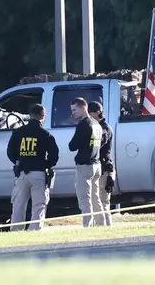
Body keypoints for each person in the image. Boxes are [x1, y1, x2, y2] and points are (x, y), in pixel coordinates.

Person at [7, 104, 59, 231]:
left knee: (18, 205)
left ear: (30, 115)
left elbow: (10, 152)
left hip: (22, 173)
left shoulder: (18, 132)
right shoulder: (45, 134)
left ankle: (15, 231)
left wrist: (19, 161)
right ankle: (34, 231)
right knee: (38, 205)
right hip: (39, 174)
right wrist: (45, 164)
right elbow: (54, 156)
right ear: (43, 116)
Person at [68, 97, 104, 227]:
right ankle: (101, 224)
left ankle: (87, 226)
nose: (73, 113)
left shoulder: (84, 124)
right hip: (96, 163)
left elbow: (72, 146)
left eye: (75, 110)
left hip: (85, 165)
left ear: (84, 108)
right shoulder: (96, 124)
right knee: (96, 199)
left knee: (85, 199)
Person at [88, 101, 115, 226]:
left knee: (102, 201)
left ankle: (105, 228)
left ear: (96, 113)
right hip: (102, 168)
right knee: (99, 201)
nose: (88, 116)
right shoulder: (99, 127)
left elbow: (99, 144)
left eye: (90, 113)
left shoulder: (104, 128)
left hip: (105, 168)